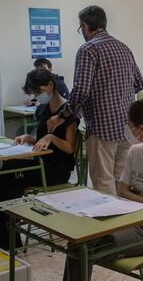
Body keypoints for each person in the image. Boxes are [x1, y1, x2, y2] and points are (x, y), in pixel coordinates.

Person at [63, 98, 143, 281]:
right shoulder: (135, 152)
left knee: (84, 248)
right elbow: (122, 191)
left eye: (129, 125)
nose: (127, 130)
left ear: (141, 130)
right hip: (128, 220)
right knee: (77, 241)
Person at [47, 5, 143, 195]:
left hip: (102, 125)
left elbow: (82, 91)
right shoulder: (123, 47)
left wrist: (61, 116)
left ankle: (109, 223)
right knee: (121, 181)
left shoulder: (88, 49)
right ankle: (124, 224)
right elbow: (140, 83)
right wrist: (119, 95)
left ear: (85, 26)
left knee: (103, 182)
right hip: (127, 125)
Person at [0, 68, 78, 250]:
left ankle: (8, 227)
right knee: (12, 176)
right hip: (40, 162)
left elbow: (69, 147)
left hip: (56, 169)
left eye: (38, 92)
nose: (37, 96)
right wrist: (29, 137)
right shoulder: (43, 108)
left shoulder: (67, 111)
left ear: (50, 85)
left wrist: (52, 138)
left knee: (13, 171)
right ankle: (8, 226)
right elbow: (41, 137)